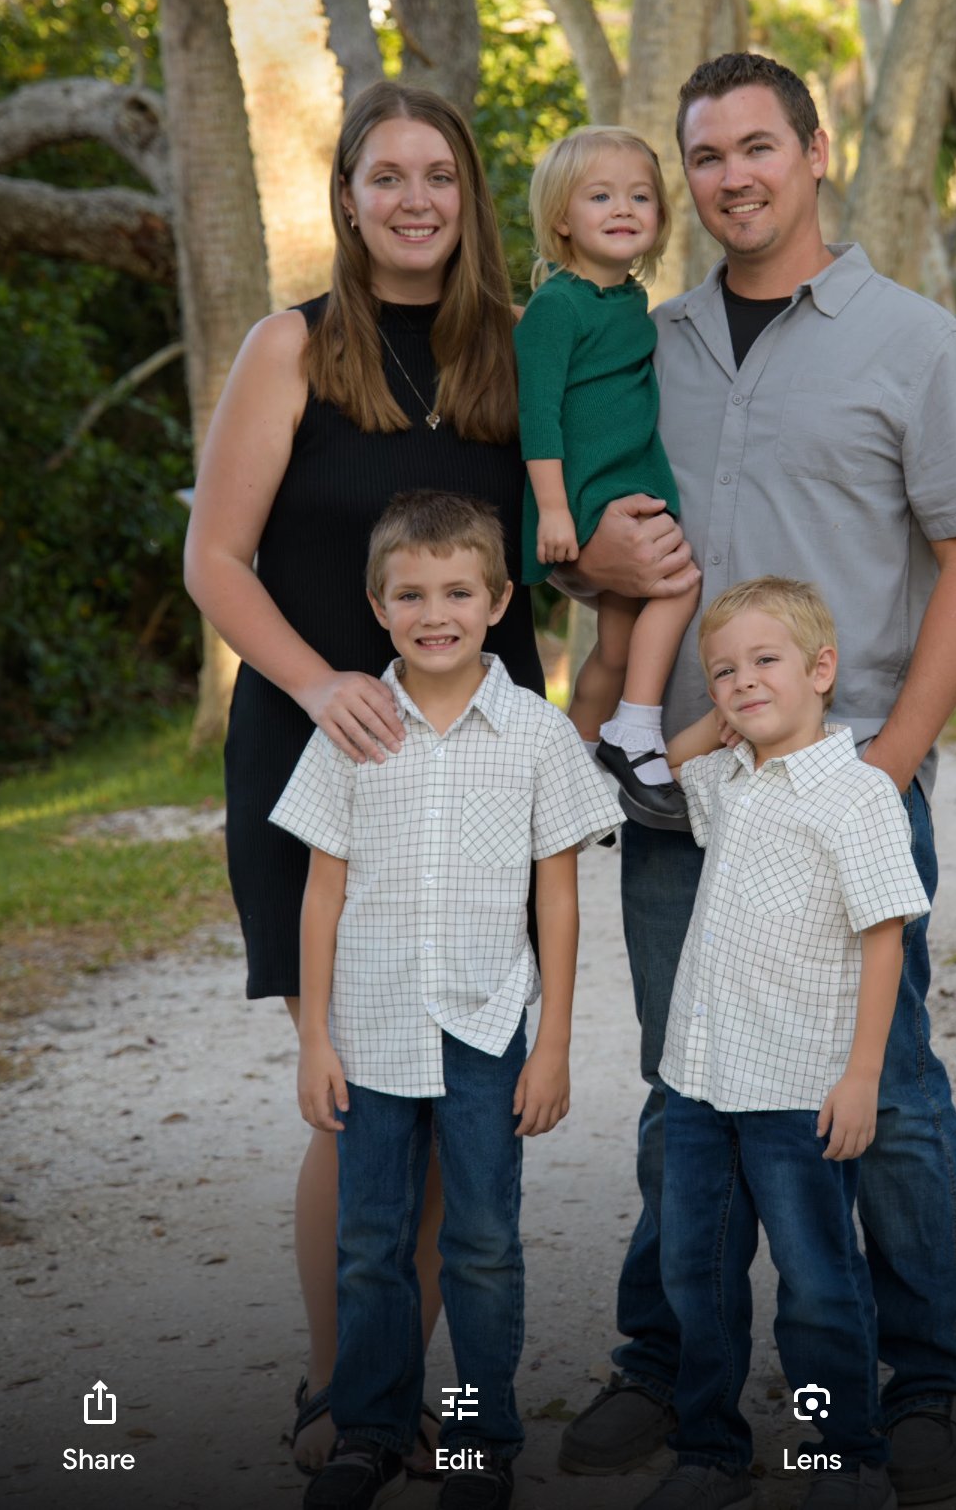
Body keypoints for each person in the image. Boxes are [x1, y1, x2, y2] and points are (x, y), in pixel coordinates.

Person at [558, 53, 956, 1504]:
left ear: (814, 153)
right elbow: (604, 549)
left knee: (876, 1080)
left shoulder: (912, 343)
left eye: (758, 146)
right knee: (680, 1081)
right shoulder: (647, 342)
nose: (730, 176)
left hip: (838, 790)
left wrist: (882, 766)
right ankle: (662, 1363)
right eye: (704, 156)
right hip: (677, 789)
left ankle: (933, 1379)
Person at [184, 81, 544, 1473]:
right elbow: (215, 559)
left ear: (468, 197)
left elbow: (552, 549)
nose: (412, 201)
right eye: (385, 177)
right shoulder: (291, 349)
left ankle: (426, 1396)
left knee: (457, 1096)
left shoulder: (515, 356)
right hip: (317, 754)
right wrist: (319, 682)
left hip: (470, 772)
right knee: (355, 1088)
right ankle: (342, 1393)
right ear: (346, 199)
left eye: (437, 178)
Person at [273, 490, 619, 1510]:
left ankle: (479, 1440)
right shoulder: (352, 727)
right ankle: (369, 1432)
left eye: (458, 590)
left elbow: (555, 896)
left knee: (478, 1241)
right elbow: (321, 891)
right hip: (372, 1032)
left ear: (498, 598)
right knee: (372, 1239)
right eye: (411, 593)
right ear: (378, 607)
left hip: (483, 1029)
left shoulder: (536, 735)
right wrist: (314, 1041)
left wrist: (550, 1043)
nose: (436, 611)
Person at [638, 576, 930, 1510]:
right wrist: (714, 724)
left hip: (798, 1088)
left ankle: (841, 1453)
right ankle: (708, 1452)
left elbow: (886, 937)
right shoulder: (727, 779)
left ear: (822, 669)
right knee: (695, 1272)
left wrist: (860, 1076)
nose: (740, 680)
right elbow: (665, 769)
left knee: (815, 1282)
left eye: (765, 661)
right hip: (698, 1080)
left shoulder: (857, 795)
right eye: (721, 670)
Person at [514, 126, 699, 825]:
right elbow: (537, 414)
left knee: (616, 647)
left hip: (623, 478)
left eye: (639, 196)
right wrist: (555, 510)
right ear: (562, 218)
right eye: (600, 196)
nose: (623, 208)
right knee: (679, 582)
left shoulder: (628, 304)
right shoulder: (555, 307)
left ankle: (572, 774)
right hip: (588, 491)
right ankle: (635, 729)